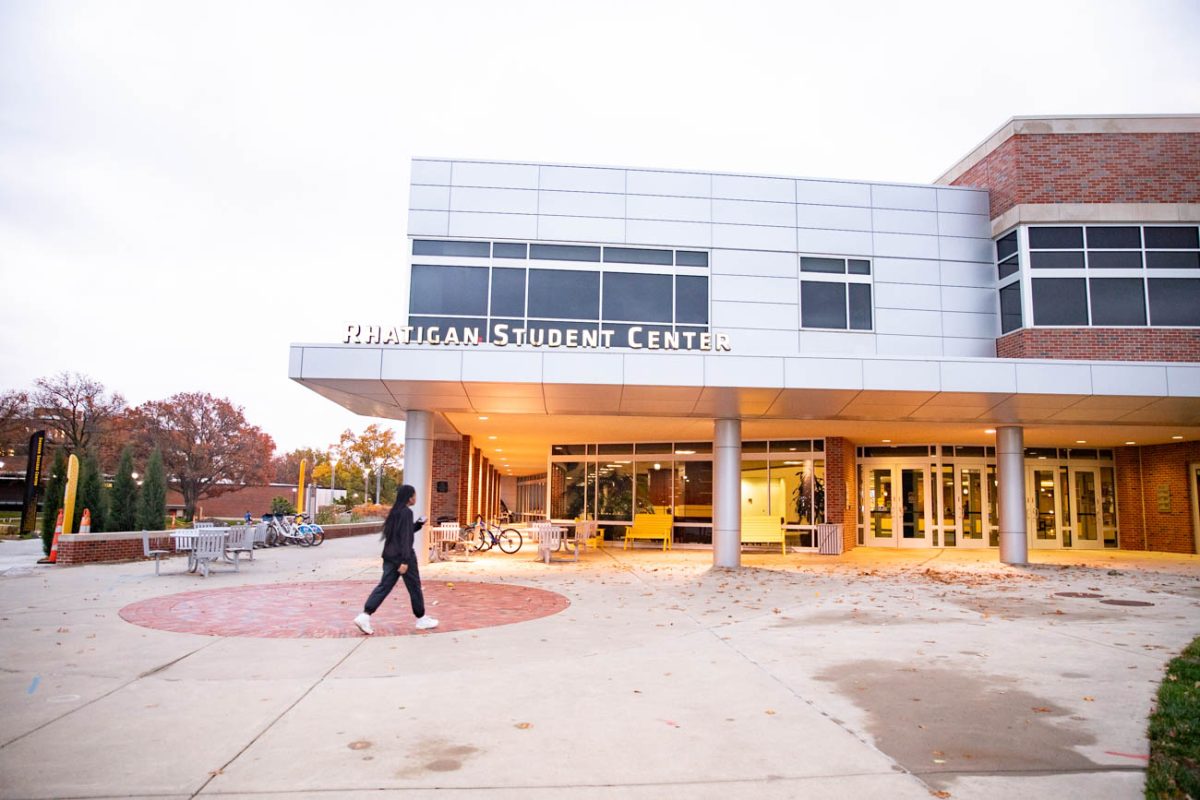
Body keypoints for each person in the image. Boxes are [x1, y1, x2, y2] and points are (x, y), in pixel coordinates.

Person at [353, 484, 438, 634]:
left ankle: (365, 615)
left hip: (390, 556)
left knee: (384, 586)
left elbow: (404, 532)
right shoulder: (406, 513)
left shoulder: (395, 512)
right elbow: (406, 539)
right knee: (414, 588)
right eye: (414, 495)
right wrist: (405, 561)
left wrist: (418, 525)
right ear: (410, 497)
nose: (415, 498)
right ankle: (421, 618)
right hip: (404, 557)